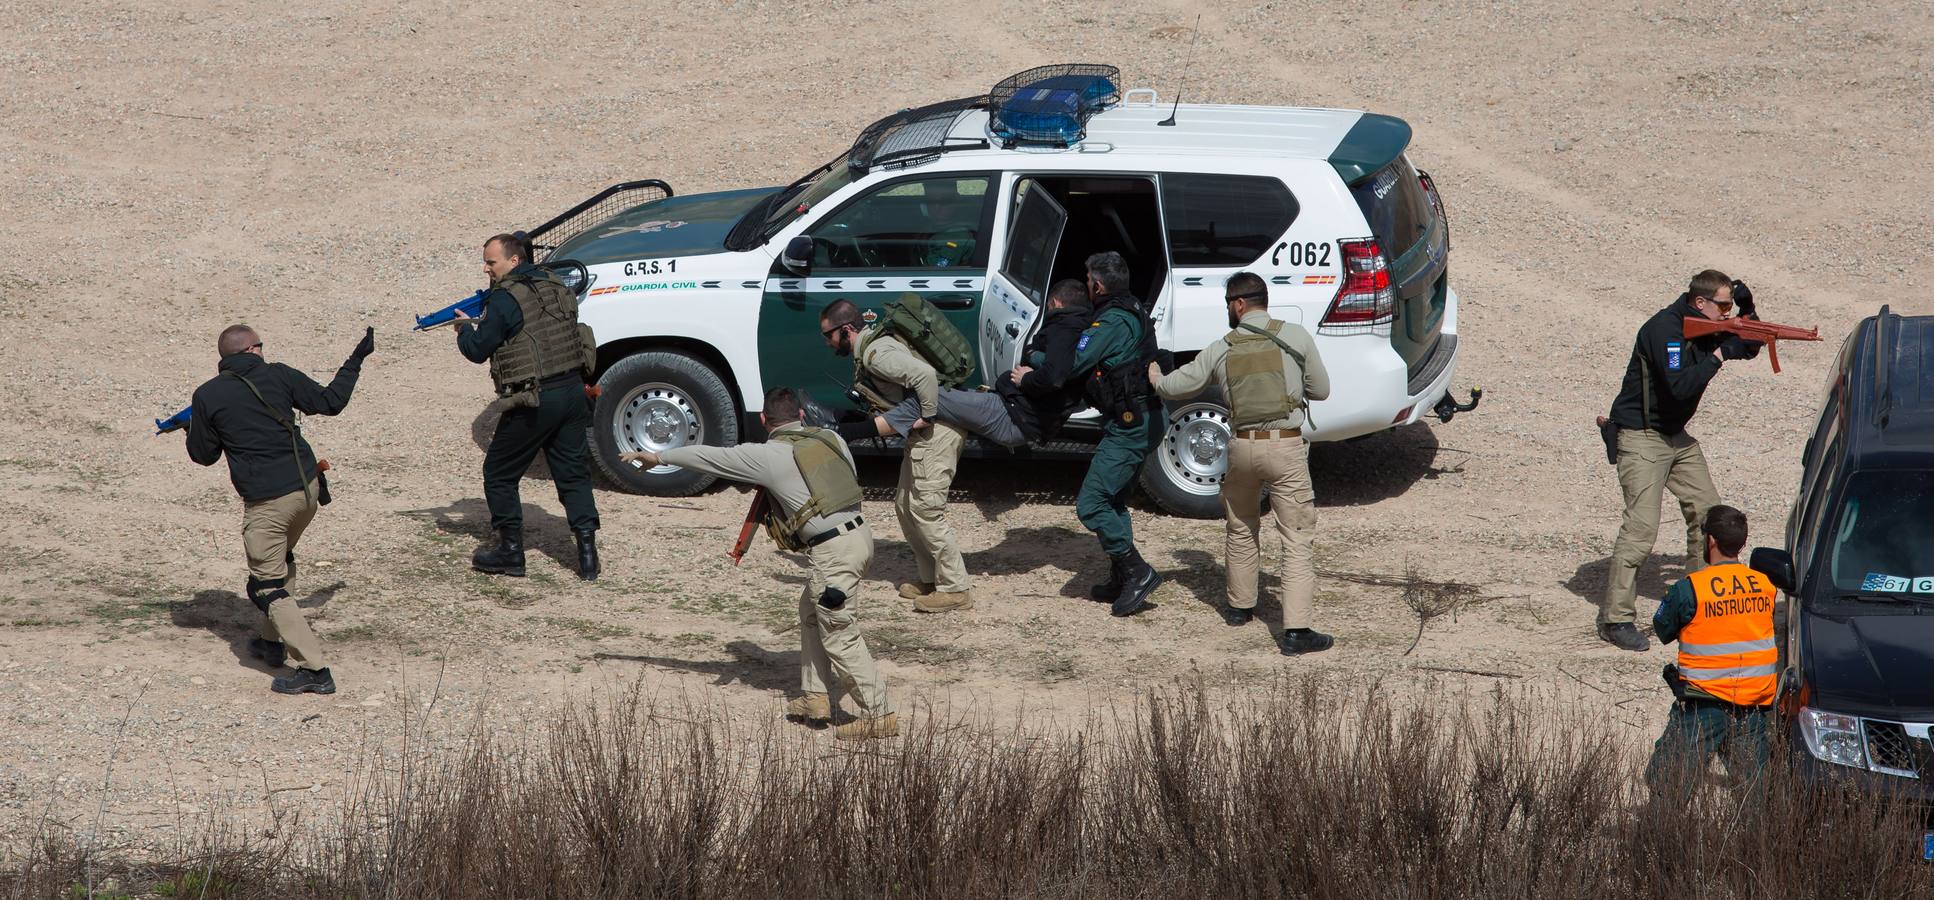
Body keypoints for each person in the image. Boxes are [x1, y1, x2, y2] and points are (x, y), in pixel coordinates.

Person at [620, 388, 897, 741]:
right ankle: (814, 697)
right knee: (812, 612)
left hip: (833, 553)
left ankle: (879, 713)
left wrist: (657, 457)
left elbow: (709, 456)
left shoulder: (768, 455)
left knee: (839, 631)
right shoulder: (829, 438)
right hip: (861, 538)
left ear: (764, 421)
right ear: (801, 415)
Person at [1150, 272, 1334, 654]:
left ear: (1238, 305)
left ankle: (1239, 607)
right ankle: (1296, 631)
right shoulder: (1296, 337)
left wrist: (1153, 372)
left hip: (1242, 449)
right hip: (1286, 448)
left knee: (1240, 526)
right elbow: (1322, 389)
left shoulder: (1222, 347)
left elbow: (1175, 387)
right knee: (1296, 539)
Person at [185, 323, 373, 695]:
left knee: (267, 585)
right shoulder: (280, 375)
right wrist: (356, 359)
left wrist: (196, 425)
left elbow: (203, 455)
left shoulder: (207, 395)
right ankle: (271, 644)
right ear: (253, 349)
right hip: (307, 491)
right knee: (281, 562)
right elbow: (332, 401)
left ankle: (314, 670)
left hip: (268, 504)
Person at [1598, 269, 1761, 651]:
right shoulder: (1664, 331)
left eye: (1730, 305)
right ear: (1700, 303)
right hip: (1641, 436)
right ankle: (1616, 618)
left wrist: (1748, 312)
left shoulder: (1706, 321)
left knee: (1709, 517)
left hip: (1674, 437)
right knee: (1641, 530)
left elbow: (1750, 344)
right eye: (1724, 305)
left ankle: (1701, 603)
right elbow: (1679, 387)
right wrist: (1720, 354)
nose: (1727, 313)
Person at [1014, 251, 1164, 617]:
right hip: (1140, 418)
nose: (1086, 286)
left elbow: (1068, 366)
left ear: (1097, 285)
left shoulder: (1112, 321)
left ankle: (1137, 572)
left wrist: (1033, 359)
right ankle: (1119, 576)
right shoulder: (1131, 309)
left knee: (1092, 503)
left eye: (1087, 280)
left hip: (1132, 424)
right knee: (1112, 500)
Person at [452, 232, 600, 581]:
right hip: (573, 393)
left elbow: (476, 350)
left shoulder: (505, 299)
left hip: (535, 399)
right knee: (573, 471)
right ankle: (588, 553)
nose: (487, 269)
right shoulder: (556, 284)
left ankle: (510, 551)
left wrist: (462, 329)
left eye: (492, 262)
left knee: (499, 472)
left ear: (514, 260)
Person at [821, 298, 974, 614]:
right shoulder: (871, 349)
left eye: (829, 335)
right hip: (925, 432)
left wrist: (928, 416)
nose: (827, 342)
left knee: (926, 511)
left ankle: (956, 588)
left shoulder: (877, 355)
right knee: (905, 505)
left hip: (938, 430)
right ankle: (930, 579)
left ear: (846, 329)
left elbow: (925, 377)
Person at [849, 278, 1094, 448]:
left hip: (1013, 418)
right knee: (939, 393)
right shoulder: (1074, 327)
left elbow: (1054, 376)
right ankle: (851, 427)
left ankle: (849, 433)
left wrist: (1025, 377)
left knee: (930, 397)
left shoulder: (1066, 329)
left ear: (1057, 304)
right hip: (1011, 409)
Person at [1643, 505, 1775, 797]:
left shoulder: (1692, 588)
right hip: (1753, 708)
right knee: (1756, 797)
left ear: (1711, 540)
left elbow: (1663, 628)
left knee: (1669, 786)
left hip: (1704, 705)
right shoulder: (1764, 585)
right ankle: (1757, 843)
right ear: (1741, 542)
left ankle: (1658, 842)